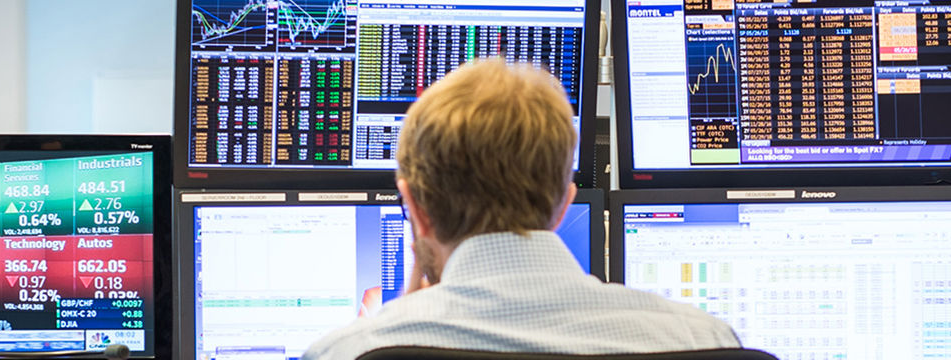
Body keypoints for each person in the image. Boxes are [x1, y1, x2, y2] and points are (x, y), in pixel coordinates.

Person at [302, 59, 742, 360]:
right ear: (565, 203)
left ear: (415, 208)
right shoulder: (706, 341)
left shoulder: (351, 351)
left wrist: (402, 323)